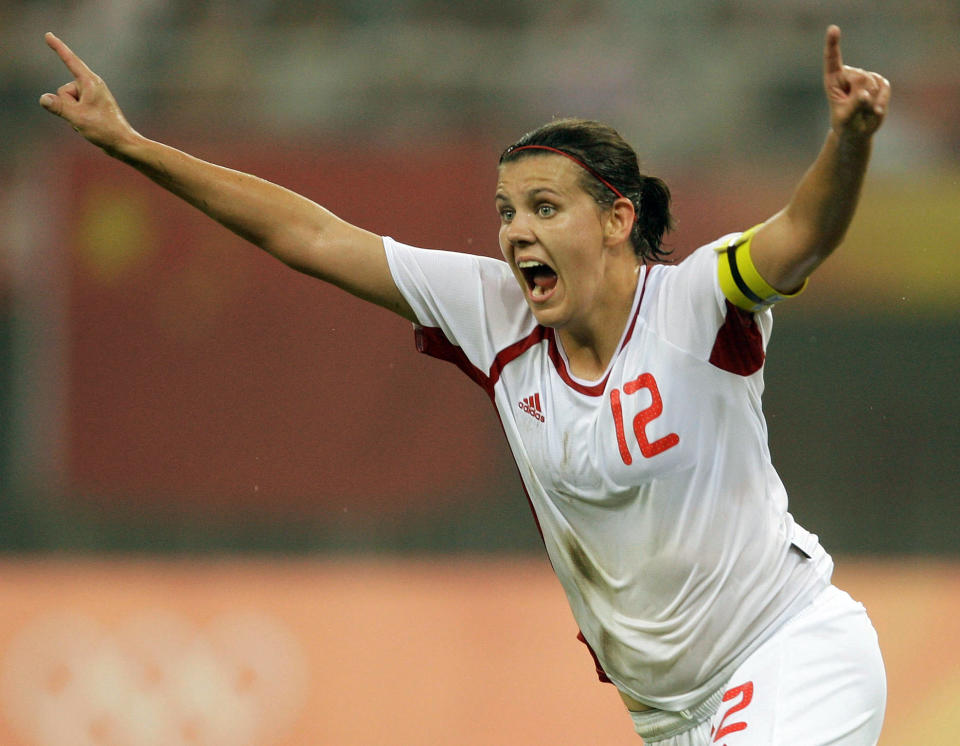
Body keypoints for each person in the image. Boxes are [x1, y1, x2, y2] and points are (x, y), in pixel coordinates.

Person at [39, 25, 890, 745]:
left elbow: (805, 234)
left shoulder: (699, 301)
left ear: (619, 217)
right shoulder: (496, 315)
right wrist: (132, 145)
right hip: (672, 717)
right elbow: (309, 234)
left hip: (788, 652)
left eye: (545, 208)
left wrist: (848, 141)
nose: (518, 231)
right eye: (506, 211)